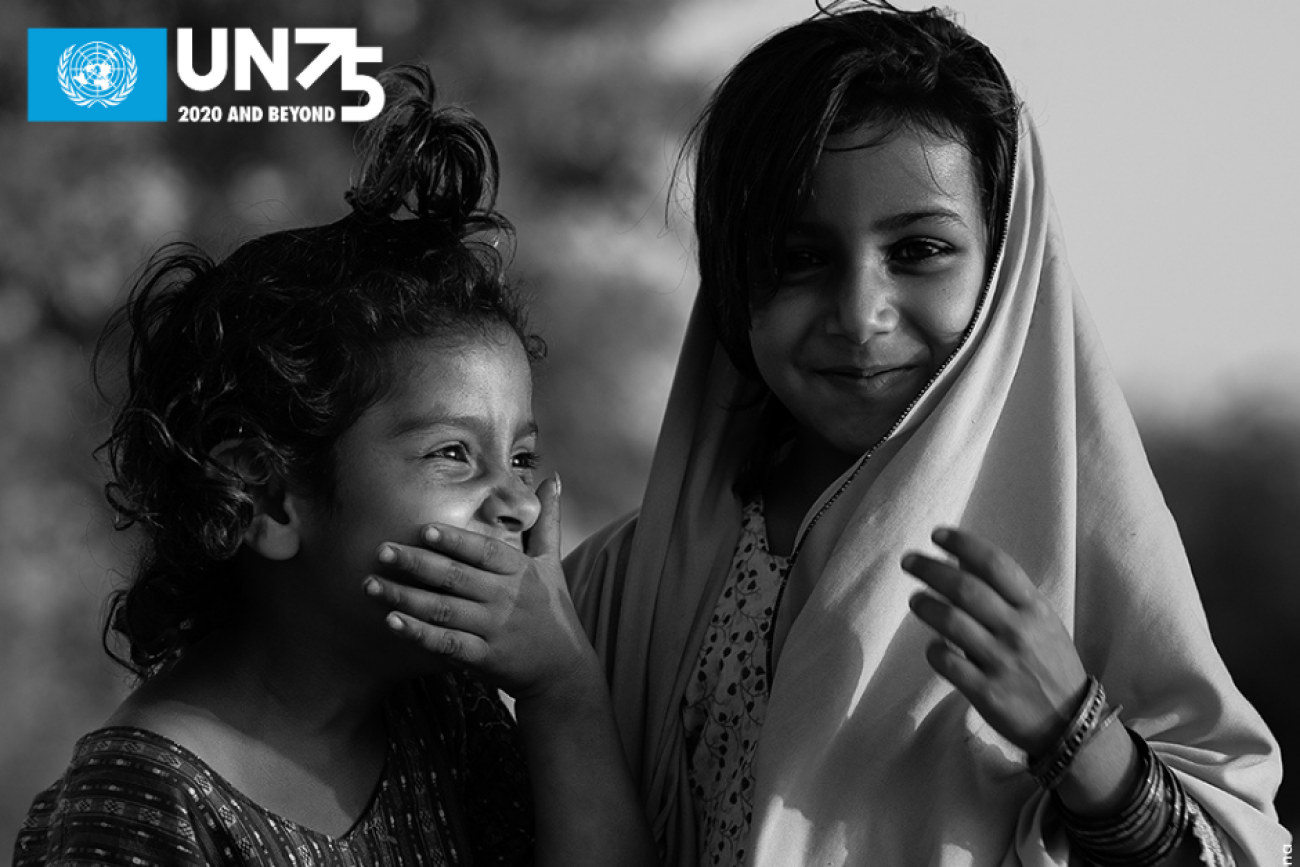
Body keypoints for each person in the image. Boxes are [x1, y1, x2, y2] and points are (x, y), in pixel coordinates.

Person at [366, 4, 1289, 866]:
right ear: (732, 281)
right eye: (798, 259)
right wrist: (559, 681)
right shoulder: (614, 592)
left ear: (1007, 266)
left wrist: (1081, 737)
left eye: (919, 250)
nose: (860, 312)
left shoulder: (1085, 569)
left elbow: (1236, 837)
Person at [12, 63, 654, 867]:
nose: (520, 506)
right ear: (267, 494)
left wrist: (564, 690)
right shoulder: (141, 802)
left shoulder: (447, 716)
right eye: (454, 453)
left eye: (522, 457)